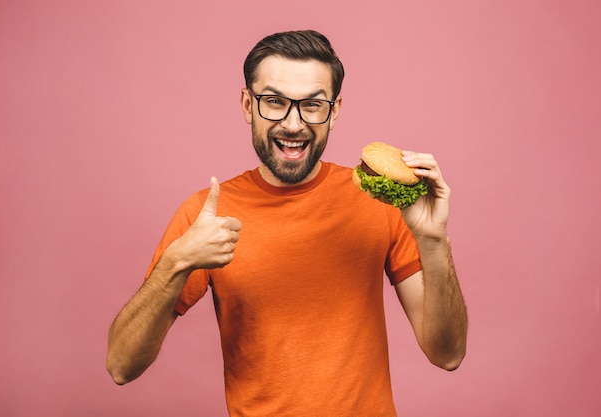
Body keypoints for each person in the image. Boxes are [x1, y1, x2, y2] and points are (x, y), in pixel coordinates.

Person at [106, 30, 468, 417]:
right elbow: (121, 366)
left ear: (335, 109)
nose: (293, 124)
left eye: (312, 105)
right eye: (274, 102)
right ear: (248, 105)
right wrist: (175, 263)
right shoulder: (206, 214)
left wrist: (433, 239)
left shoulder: (377, 202)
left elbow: (447, 354)